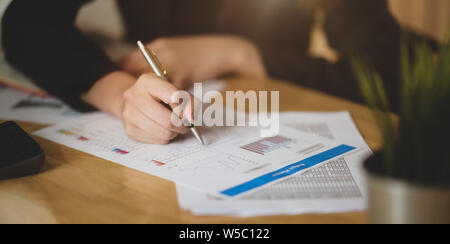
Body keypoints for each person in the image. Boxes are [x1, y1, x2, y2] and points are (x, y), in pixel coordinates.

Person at [1, 0, 402, 144]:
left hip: (275, 105)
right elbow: (26, 23)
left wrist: (240, 53)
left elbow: (388, 79)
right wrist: (120, 92)